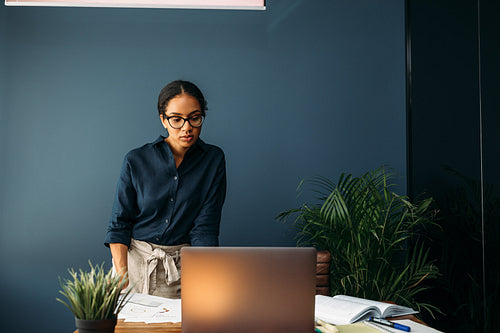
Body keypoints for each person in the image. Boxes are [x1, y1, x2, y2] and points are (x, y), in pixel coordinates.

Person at [104, 80, 226, 298]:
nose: (187, 127)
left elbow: (205, 228)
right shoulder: (136, 160)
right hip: (132, 267)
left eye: (194, 118)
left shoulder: (213, 160)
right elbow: (119, 223)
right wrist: (122, 276)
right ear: (163, 120)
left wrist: (206, 277)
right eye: (176, 120)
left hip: (183, 269)